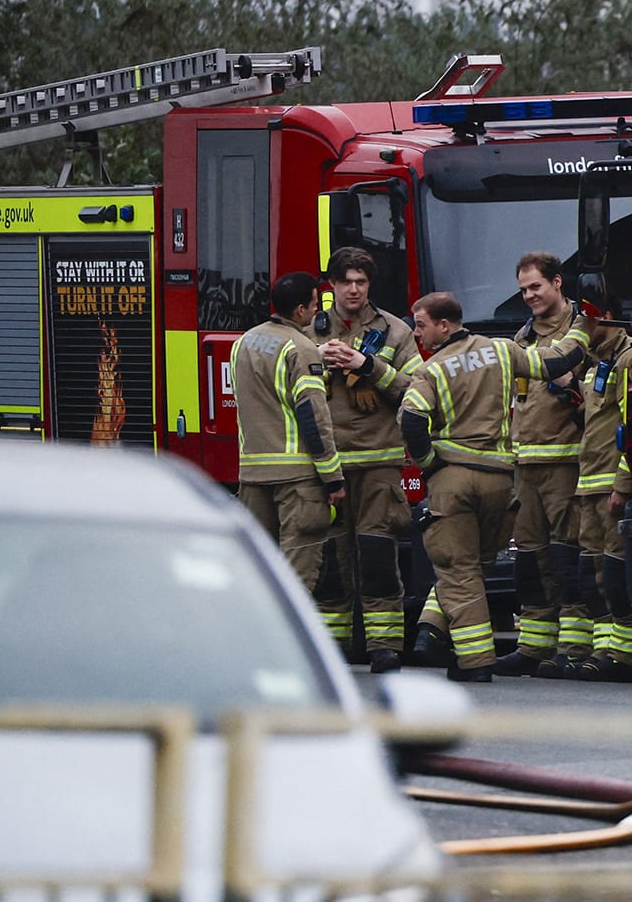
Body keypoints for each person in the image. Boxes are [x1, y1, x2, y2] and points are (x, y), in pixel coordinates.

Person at [398, 291, 588, 682]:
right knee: (477, 565)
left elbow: (412, 420)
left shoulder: (431, 370)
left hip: (454, 480)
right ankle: (432, 630)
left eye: (421, 325)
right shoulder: (502, 350)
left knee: (458, 570)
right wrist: (585, 325)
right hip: (501, 484)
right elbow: (556, 361)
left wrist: (429, 463)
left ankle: (474, 662)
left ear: (444, 325)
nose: (417, 334)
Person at [315, 247, 421, 672]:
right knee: (329, 562)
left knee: (378, 557)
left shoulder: (395, 331)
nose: (354, 289)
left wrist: (369, 366)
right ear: (332, 285)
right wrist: (319, 363)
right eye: (346, 282)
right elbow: (284, 387)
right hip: (326, 466)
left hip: (379, 463)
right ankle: (332, 649)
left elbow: (417, 388)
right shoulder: (309, 329)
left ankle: (384, 646)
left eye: (361, 281)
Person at [232, 273, 344, 608]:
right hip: (297, 480)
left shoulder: (243, 343)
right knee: (296, 580)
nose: (317, 311)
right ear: (299, 310)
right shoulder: (300, 348)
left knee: (256, 571)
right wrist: (332, 476)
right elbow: (313, 416)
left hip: (252, 476)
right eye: (314, 304)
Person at [497, 252, 583, 677]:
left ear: (557, 282)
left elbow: (599, 397)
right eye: (523, 289)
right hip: (526, 463)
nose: (529, 295)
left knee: (568, 557)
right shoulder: (524, 336)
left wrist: (573, 386)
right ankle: (534, 645)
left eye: (536, 286)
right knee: (530, 560)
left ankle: (573, 646)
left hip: (566, 461)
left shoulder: (582, 331)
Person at [563, 294, 632, 682]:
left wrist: (623, 486)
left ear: (608, 318)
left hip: (611, 485)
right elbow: (594, 421)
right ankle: (603, 650)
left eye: (587, 319)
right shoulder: (598, 363)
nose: (580, 327)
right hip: (591, 486)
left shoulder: (629, 359)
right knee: (593, 575)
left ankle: (627, 658)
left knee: (615, 572)